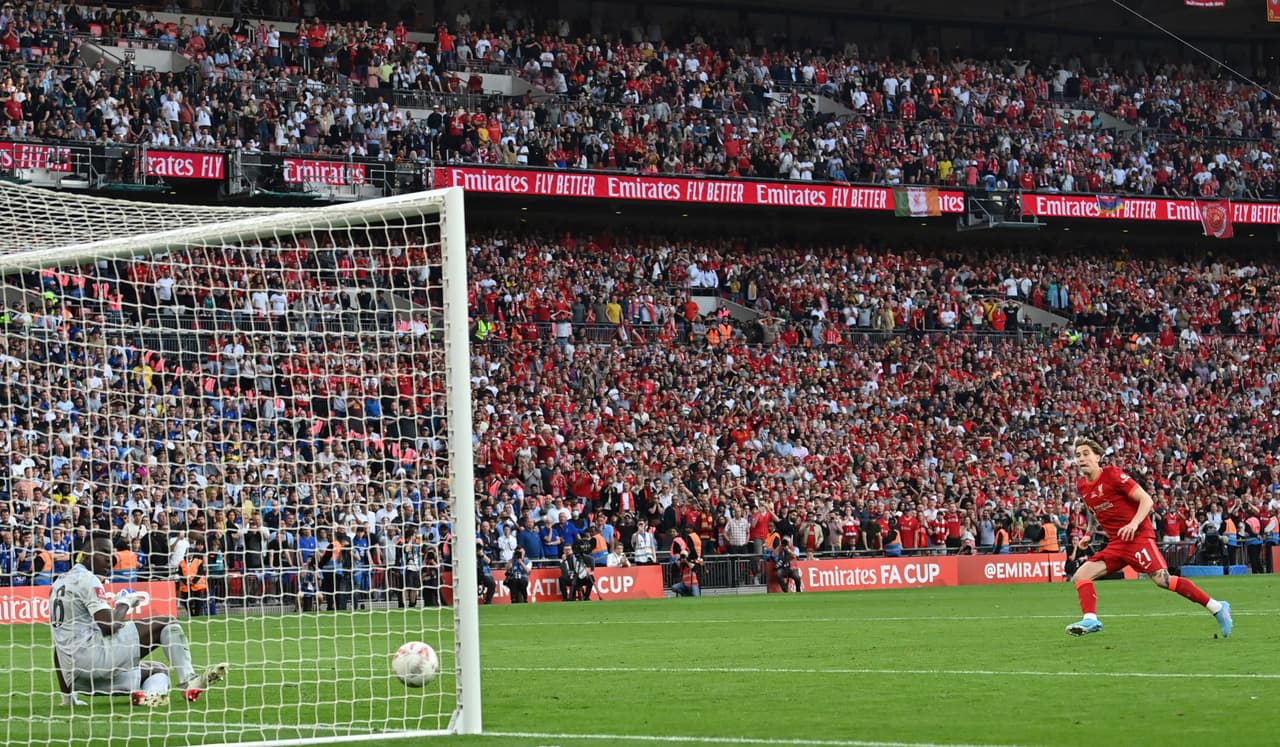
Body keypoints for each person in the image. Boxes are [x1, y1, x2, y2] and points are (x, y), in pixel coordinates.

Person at [1065, 438, 1231, 637]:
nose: (1081, 458)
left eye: (1086, 454)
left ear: (1098, 457)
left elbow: (1147, 500)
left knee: (1164, 580)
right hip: (1117, 543)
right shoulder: (1083, 485)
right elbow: (1093, 511)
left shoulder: (1113, 475)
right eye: (1078, 455)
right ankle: (1090, 619)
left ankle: (1217, 608)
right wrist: (1089, 534)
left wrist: (1133, 523)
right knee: (1081, 575)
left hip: (1138, 538)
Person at [50, 533, 228, 708]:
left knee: (158, 670)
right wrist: (124, 603)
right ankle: (189, 680)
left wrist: (67, 697)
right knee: (167, 623)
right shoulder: (88, 579)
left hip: (77, 677)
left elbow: (58, 648)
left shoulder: (59, 583)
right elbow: (108, 626)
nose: (110, 560)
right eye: (104, 553)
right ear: (88, 554)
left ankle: (151, 695)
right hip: (96, 661)